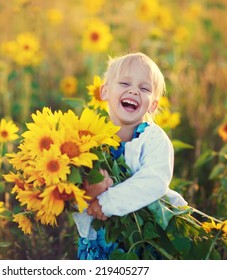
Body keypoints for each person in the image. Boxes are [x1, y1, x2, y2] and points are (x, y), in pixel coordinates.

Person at [73, 52, 187, 260]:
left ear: (152, 105)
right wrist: (88, 192)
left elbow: (154, 181)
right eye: (125, 83)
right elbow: (69, 185)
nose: (134, 91)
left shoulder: (152, 139)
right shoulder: (89, 138)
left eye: (144, 88)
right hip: (98, 241)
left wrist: (107, 202)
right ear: (104, 92)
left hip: (142, 240)